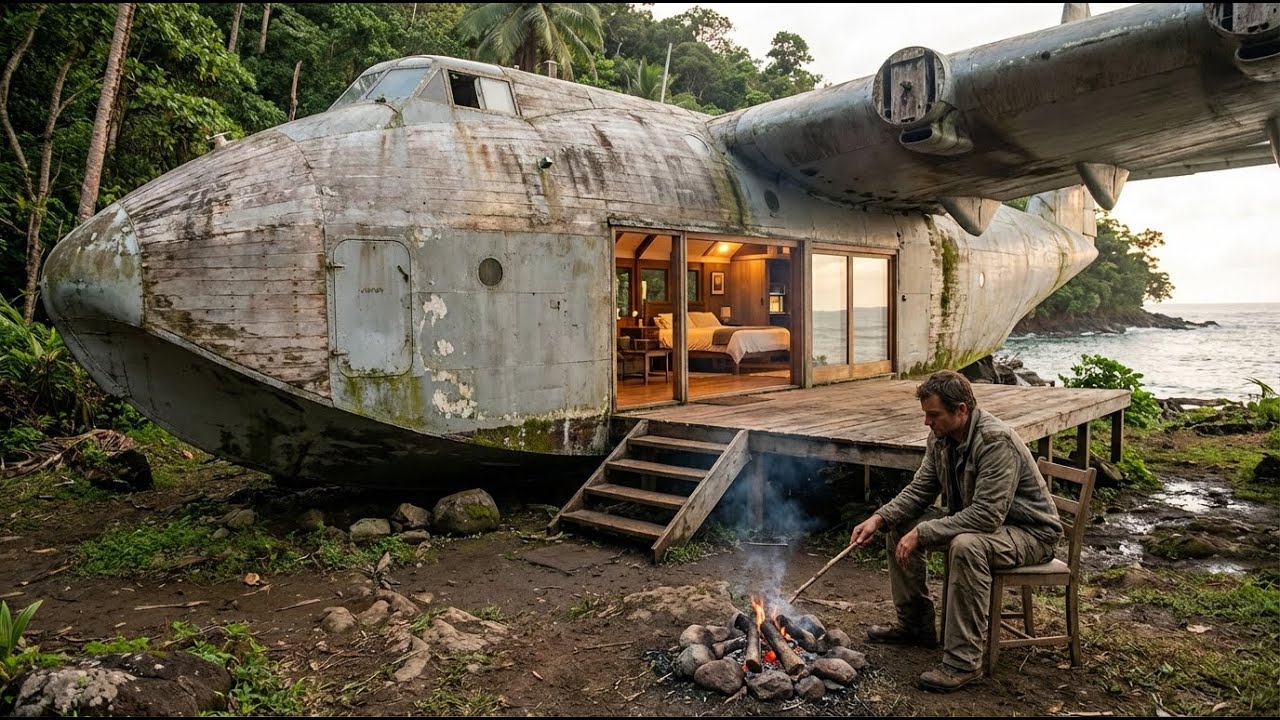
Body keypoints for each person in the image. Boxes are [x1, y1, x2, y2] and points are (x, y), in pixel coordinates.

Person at [848, 370, 1063, 692]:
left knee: (966, 546)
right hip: (984, 524)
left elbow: (987, 515)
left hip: (1030, 534)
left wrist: (925, 532)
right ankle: (916, 627)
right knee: (902, 525)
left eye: (933, 415)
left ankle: (963, 663)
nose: (926, 423)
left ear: (961, 410)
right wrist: (879, 518)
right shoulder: (941, 438)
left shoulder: (994, 441)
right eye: (925, 414)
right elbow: (921, 489)